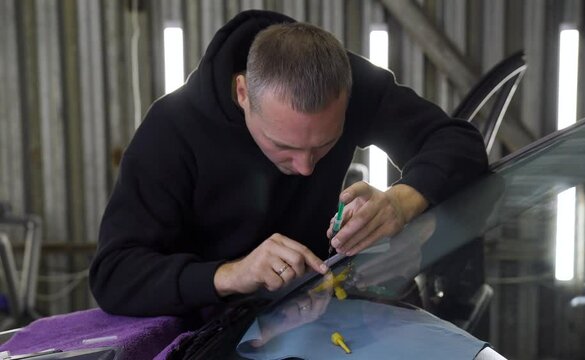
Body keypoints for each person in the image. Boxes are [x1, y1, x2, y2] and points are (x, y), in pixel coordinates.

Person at [89, 10, 488, 317]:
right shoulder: (171, 131)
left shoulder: (346, 81)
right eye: (283, 146)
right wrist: (231, 274)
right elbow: (114, 275)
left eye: (324, 145)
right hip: (215, 333)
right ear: (243, 93)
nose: (305, 169)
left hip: (326, 313)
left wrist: (401, 204)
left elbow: (458, 142)